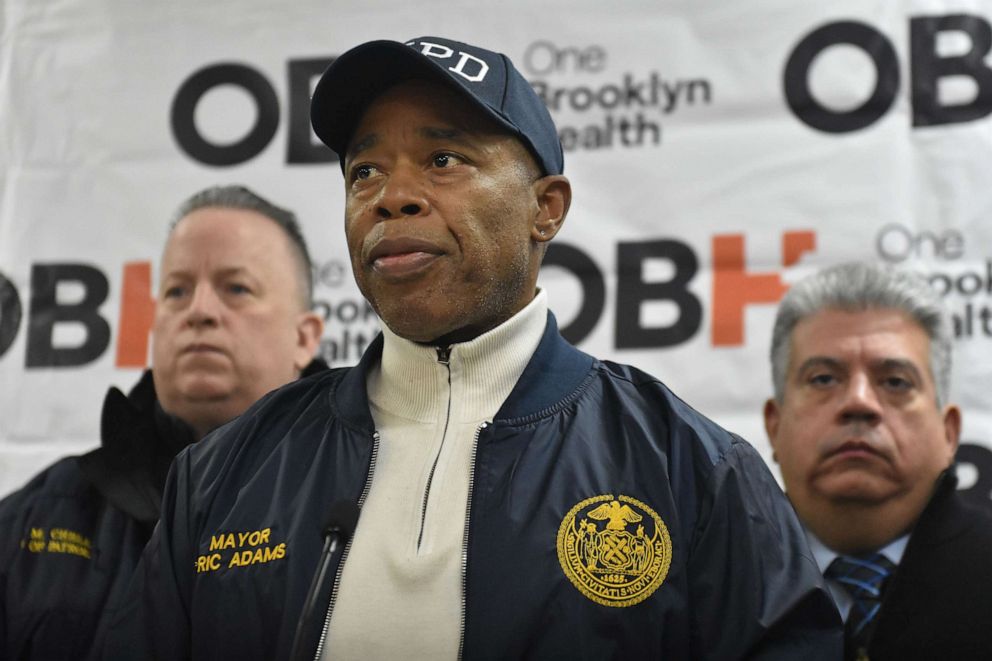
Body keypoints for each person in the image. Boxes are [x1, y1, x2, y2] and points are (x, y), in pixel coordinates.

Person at [106, 37, 840, 660]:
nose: (392, 196)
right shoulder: (221, 474)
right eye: (365, 171)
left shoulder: (692, 471)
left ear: (545, 208)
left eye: (444, 160)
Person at [0, 185, 325, 660]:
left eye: (236, 288)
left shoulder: (359, 503)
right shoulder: (34, 521)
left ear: (305, 337)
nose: (199, 311)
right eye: (177, 290)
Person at [763, 261, 992, 660]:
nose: (859, 402)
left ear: (949, 432)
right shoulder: (710, 585)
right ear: (774, 425)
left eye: (895, 382)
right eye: (823, 378)